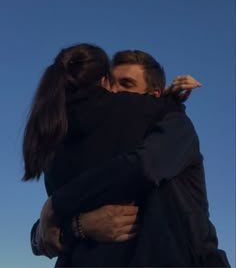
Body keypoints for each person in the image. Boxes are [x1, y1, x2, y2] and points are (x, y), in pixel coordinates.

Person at [25, 47, 230, 267]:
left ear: (154, 96)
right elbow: (41, 238)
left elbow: (143, 167)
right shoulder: (85, 147)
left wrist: (56, 205)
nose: (113, 92)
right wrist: (78, 226)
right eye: (111, 84)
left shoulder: (173, 126)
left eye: (127, 84)